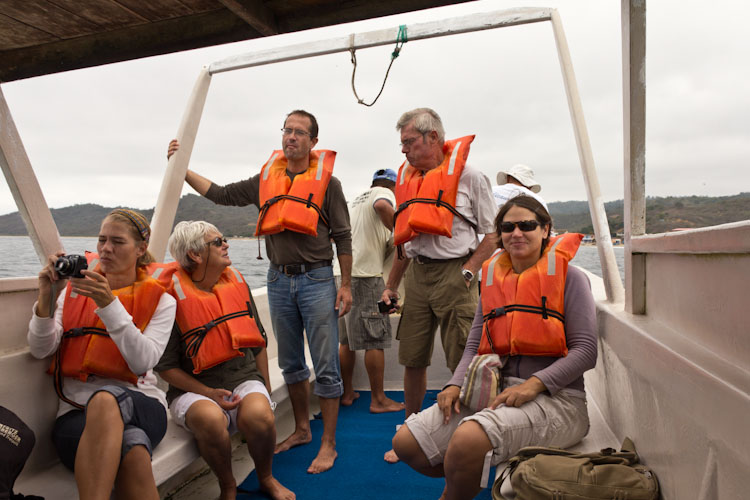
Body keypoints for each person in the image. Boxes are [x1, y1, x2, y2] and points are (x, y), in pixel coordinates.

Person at [167, 109, 352, 474]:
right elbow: (220, 194)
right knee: (291, 363)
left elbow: (343, 236)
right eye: (287, 130)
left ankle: (328, 443)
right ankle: (301, 430)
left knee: (326, 365)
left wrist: (344, 284)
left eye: (300, 133)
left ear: (314, 142)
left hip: (316, 280)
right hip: (278, 279)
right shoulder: (265, 178)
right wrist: (181, 167)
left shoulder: (328, 183)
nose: (291, 137)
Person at [391, 195, 598, 500]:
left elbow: (586, 350)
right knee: (406, 442)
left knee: (467, 441)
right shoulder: (491, 279)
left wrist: (533, 385)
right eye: (507, 226)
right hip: (496, 392)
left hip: (559, 402)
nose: (516, 233)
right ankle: (470, 472)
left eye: (527, 225)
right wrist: (453, 384)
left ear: (545, 229)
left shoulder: (571, 279)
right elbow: (475, 342)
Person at [27, 209, 175, 500]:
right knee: (132, 449)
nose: (106, 248)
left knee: (108, 398)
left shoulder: (163, 301)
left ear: (140, 249)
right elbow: (40, 348)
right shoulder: (72, 290)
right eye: (102, 240)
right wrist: (45, 295)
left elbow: (143, 362)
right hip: (75, 418)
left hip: (142, 407)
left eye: (117, 241)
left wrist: (108, 304)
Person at [380, 108, 497, 462]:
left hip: (455, 273)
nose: (403, 151)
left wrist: (469, 272)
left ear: (433, 138)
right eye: (401, 144)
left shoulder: (471, 177)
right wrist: (391, 286)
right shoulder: (406, 178)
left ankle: (467, 438)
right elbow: (404, 243)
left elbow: (492, 236)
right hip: (418, 274)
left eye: (409, 142)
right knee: (412, 357)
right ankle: (411, 431)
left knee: (463, 355)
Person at [153, 221, 293, 500]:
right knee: (210, 419)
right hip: (193, 389)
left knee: (261, 415)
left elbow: (259, 344)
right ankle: (228, 485)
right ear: (195, 254)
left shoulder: (236, 284)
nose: (226, 244)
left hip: (243, 377)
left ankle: (265, 477)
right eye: (218, 242)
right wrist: (208, 394)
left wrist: (264, 388)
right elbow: (166, 368)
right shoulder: (170, 298)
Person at [338, 169, 404, 414]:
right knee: (374, 339)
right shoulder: (383, 194)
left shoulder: (356, 199)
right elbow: (382, 206)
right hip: (365, 277)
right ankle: (378, 400)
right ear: (394, 186)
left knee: (345, 340)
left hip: (342, 274)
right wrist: (400, 230)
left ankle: (347, 393)